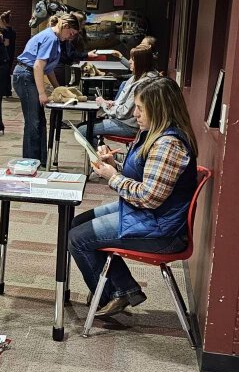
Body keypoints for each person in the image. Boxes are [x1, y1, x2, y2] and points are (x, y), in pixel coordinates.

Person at [68, 76, 198, 317]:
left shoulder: (168, 144)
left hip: (161, 229)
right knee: (77, 223)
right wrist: (114, 164)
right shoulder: (153, 134)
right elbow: (144, 174)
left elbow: (148, 196)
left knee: (78, 238)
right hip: (150, 215)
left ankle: (113, 294)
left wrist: (112, 177)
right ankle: (125, 288)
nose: (135, 114)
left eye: (140, 108)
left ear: (159, 110)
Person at [13, 13, 80, 165]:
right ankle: (30, 162)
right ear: (65, 26)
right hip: (25, 76)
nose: (71, 37)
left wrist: (59, 88)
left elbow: (48, 69)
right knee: (33, 122)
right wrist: (42, 93)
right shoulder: (50, 38)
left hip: (28, 75)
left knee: (39, 121)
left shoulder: (55, 39)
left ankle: (40, 161)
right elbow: (38, 66)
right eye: (71, 33)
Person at [79, 43, 159, 142]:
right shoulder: (136, 76)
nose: (129, 62)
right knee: (84, 126)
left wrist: (104, 104)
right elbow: (123, 104)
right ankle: (103, 151)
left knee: (82, 131)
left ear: (140, 62)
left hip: (130, 125)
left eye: (132, 60)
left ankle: (102, 155)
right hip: (126, 120)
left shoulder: (143, 84)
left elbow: (123, 113)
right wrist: (112, 103)